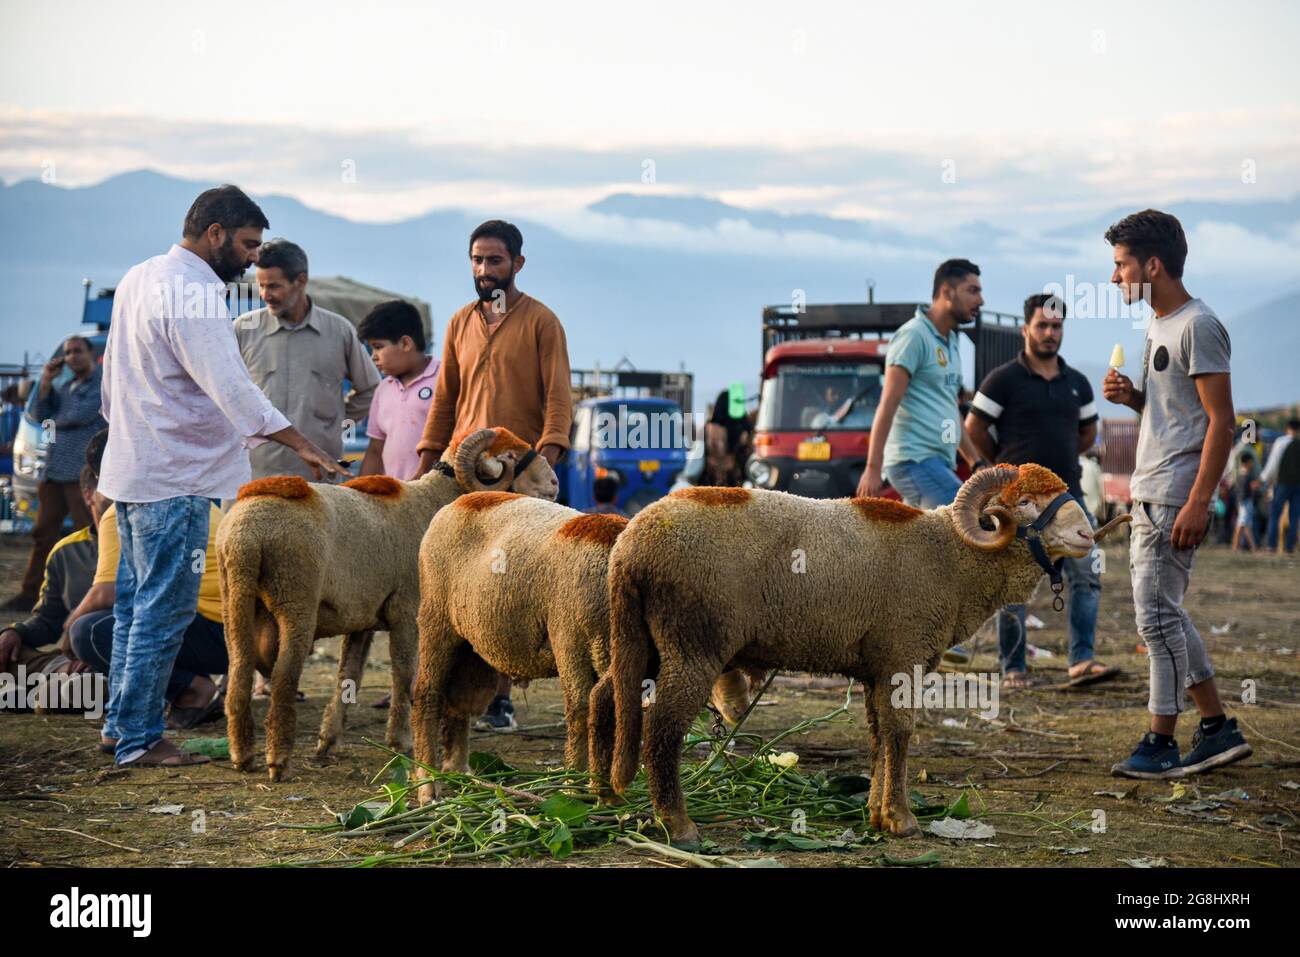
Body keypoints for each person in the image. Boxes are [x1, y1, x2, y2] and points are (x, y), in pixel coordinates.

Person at [98, 185, 343, 768]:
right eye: (248, 245)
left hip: (136, 468)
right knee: (164, 610)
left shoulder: (139, 276)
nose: (255, 259)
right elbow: (231, 386)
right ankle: (137, 740)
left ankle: (120, 726)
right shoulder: (198, 294)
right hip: (175, 477)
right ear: (215, 235)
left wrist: (124, 433)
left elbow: (114, 376)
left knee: (136, 607)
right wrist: (303, 443)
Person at [1101, 208, 1251, 779]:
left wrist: (1199, 502)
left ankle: (1161, 741)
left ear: (1153, 264)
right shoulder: (1157, 325)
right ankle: (1216, 727)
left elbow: (1222, 422)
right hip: (1151, 492)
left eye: (1121, 265)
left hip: (1173, 498)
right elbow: (1177, 415)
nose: (1115, 278)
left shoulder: (1198, 325)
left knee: (1156, 620)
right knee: (1164, 615)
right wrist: (1135, 400)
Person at [414, 219, 572, 731]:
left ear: (518, 264)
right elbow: (444, 401)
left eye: (495, 260)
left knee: (506, 586)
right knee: (456, 583)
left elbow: (558, 403)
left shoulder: (542, 322)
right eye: (477, 260)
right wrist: (424, 464)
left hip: (516, 478)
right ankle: (445, 694)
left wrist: (544, 464)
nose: (485, 270)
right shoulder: (460, 322)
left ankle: (500, 699)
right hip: (462, 473)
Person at [966, 293, 1118, 690]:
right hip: (1020, 502)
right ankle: (1013, 667)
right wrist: (1003, 469)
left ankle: (1081, 661)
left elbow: (1087, 433)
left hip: (1068, 497)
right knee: (1014, 583)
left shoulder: (1078, 384)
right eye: (1043, 326)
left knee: (1086, 571)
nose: (1050, 334)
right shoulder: (1003, 379)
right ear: (1026, 329)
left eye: (1057, 326)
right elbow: (973, 429)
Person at [858, 259, 988, 664]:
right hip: (911, 459)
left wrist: (976, 460)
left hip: (936, 459)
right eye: (972, 290)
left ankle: (906, 631)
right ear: (946, 292)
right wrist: (872, 467)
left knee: (923, 551)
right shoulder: (913, 337)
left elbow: (950, 410)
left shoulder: (950, 343)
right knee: (962, 530)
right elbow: (887, 403)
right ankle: (942, 632)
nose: (980, 300)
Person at [235, 239, 381, 480]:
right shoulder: (243, 330)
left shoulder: (339, 331)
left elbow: (370, 388)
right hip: (253, 476)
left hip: (317, 479)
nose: (265, 295)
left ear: (300, 281)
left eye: (274, 286)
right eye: (261, 286)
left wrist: (335, 420)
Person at [5, 336, 106, 612]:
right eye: (68, 353)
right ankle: (30, 594)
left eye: (77, 351)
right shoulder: (66, 387)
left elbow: (76, 416)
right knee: (43, 535)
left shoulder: (100, 385)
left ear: (88, 354)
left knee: (88, 536)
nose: (72, 357)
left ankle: (91, 597)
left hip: (81, 475)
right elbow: (39, 414)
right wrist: (46, 381)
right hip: (54, 473)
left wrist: (52, 419)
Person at [0, 464, 101, 685]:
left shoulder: (145, 546)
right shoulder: (67, 551)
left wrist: (98, 652)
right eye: (108, 489)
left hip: (127, 657)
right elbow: (48, 620)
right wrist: (15, 632)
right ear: (88, 495)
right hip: (74, 660)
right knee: (9, 651)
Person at [357, 300, 439, 480]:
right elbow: (375, 451)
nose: (373, 357)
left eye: (378, 347)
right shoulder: (383, 389)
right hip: (395, 500)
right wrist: (356, 493)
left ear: (405, 344)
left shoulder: (445, 380)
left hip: (437, 498)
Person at [1261, 417, 1300, 553]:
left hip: (1282, 483)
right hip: (1298, 485)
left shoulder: (1281, 442)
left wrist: (1264, 479)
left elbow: (1273, 463)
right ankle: (1289, 547)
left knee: (1275, 514)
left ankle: (1271, 546)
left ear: (1287, 428)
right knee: (1294, 516)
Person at [1230, 452, 1261, 553]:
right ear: (1246, 463)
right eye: (1250, 462)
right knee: (1244, 525)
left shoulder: (1240, 475)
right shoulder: (1246, 476)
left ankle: (1236, 546)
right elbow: (1250, 488)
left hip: (1242, 502)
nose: (1252, 464)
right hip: (1245, 503)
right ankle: (1253, 547)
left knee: (1241, 524)